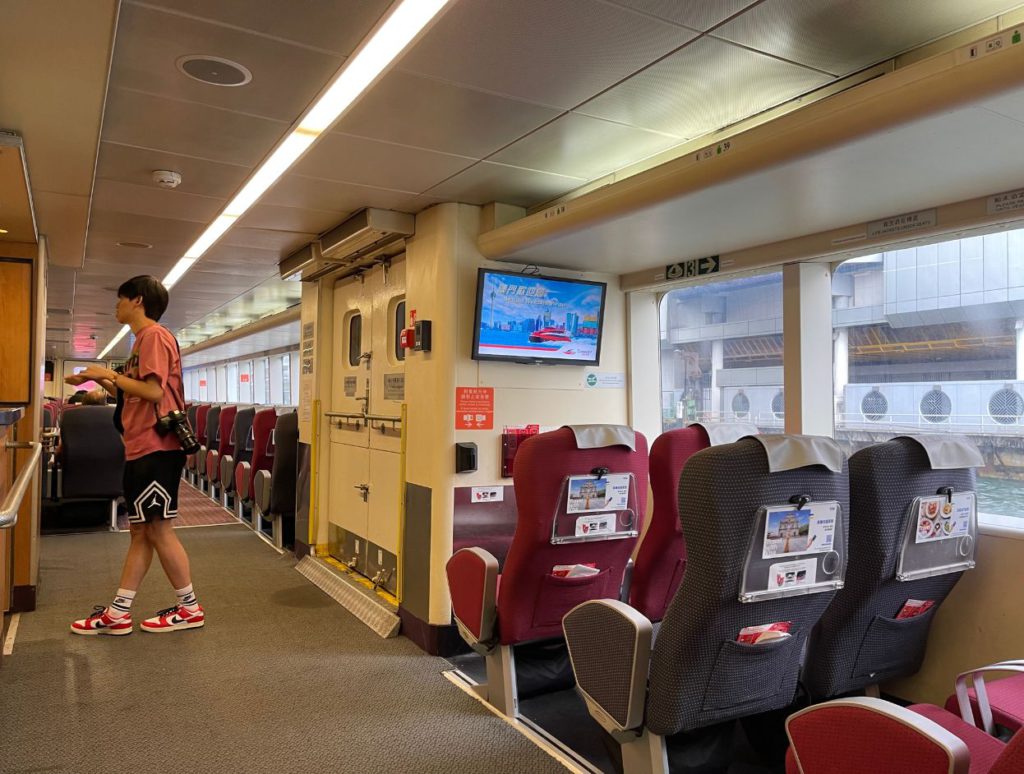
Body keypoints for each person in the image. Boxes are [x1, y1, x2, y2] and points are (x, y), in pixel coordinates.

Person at [65, 275, 204, 636]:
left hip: (156, 448)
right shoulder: (141, 341)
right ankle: (119, 612)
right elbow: (135, 392)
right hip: (142, 446)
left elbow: (154, 392)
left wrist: (106, 373)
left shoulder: (154, 336)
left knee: (157, 528)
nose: (116, 305)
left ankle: (189, 608)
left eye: (120, 299)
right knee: (141, 531)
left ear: (137, 300)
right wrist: (99, 381)